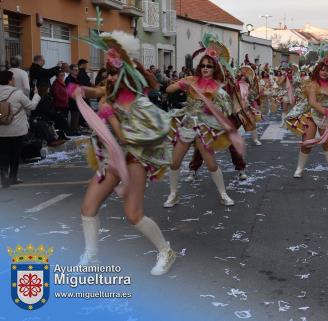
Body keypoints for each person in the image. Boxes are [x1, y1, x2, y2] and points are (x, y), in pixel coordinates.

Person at [72, 30, 175, 275]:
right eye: (109, 71)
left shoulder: (139, 103)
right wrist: (79, 91)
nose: (110, 76)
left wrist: (110, 117)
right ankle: (92, 257)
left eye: (115, 71)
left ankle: (166, 252)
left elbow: (130, 138)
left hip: (132, 159)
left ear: (128, 73)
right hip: (109, 158)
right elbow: (97, 92)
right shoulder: (110, 91)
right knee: (88, 206)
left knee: (133, 214)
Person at [164, 36, 243, 208]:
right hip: (187, 125)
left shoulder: (217, 87)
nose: (205, 68)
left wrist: (212, 108)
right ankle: (173, 194)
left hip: (205, 127)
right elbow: (169, 89)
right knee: (175, 162)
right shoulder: (191, 80)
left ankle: (223, 194)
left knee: (211, 163)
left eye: (209, 66)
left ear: (215, 69)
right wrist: (180, 84)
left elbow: (226, 109)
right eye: (203, 65)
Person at [286, 52, 328, 180]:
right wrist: (325, 111)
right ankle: (299, 168)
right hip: (312, 113)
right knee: (306, 143)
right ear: (317, 71)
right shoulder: (313, 84)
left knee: (327, 143)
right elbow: (312, 102)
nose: (324, 72)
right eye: (322, 70)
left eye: (327, 70)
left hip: (327, 116)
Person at [0, 70, 41, 187]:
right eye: (12, 79)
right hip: (16, 130)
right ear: (9, 80)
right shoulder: (17, 93)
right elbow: (31, 106)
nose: (14, 80)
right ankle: (13, 177)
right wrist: (36, 95)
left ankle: (3, 176)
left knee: (3, 154)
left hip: (1, 129)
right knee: (15, 154)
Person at [65, 64, 81, 135]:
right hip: (72, 100)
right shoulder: (69, 79)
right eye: (75, 70)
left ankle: (76, 129)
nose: (77, 71)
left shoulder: (76, 78)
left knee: (77, 115)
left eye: (77, 70)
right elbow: (69, 91)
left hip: (77, 99)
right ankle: (73, 130)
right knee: (74, 115)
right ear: (71, 71)